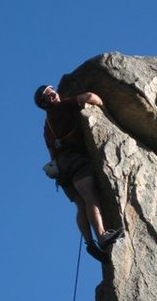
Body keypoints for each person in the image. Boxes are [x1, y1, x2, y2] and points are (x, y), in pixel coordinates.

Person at [34, 84, 122, 262]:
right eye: (49, 94)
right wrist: (104, 109)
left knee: (81, 205)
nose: (53, 93)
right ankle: (102, 235)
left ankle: (90, 243)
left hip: (60, 170)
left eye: (52, 90)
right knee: (90, 196)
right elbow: (89, 96)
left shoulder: (46, 127)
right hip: (75, 161)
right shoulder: (63, 106)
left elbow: (51, 153)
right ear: (47, 102)